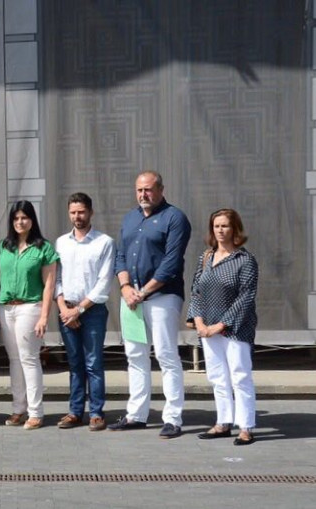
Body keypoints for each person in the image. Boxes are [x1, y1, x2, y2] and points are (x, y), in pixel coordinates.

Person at [109, 171, 192, 439]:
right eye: (139, 190)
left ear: (161, 189)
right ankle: (137, 414)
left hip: (161, 297)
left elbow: (171, 263)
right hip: (131, 298)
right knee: (135, 356)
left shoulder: (174, 218)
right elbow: (120, 255)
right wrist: (124, 287)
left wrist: (142, 292)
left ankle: (172, 418)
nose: (144, 194)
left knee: (166, 355)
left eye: (149, 189)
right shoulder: (130, 218)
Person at [189, 209, 258, 446]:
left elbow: (246, 297)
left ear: (235, 229)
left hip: (235, 328)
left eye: (225, 226)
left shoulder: (245, 260)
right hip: (207, 326)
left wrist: (219, 326)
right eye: (216, 226)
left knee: (240, 377)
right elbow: (196, 290)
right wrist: (198, 321)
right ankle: (223, 422)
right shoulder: (206, 257)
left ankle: (246, 427)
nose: (220, 230)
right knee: (217, 376)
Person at [0, 201, 58, 430]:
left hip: (30, 307)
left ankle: (36, 412)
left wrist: (44, 316)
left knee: (29, 359)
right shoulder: (3, 247)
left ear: (32, 220)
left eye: (25, 218)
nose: (20, 222)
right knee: (14, 360)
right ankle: (18, 408)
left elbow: (49, 285)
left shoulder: (43, 248)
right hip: (6, 308)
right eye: (16, 218)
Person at [55, 192, 115, 431]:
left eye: (81, 212)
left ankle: (97, 412)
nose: (77, 217)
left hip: (92, 311)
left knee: (93, 362)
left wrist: (78, 310)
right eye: (73, 212)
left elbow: (103, 283)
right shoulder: (61, 242)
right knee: (75, 363)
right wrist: (63, 308)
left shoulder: (104, 242)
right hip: (66, 310)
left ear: (90, 212)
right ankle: (75, 411)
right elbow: (56, 277)